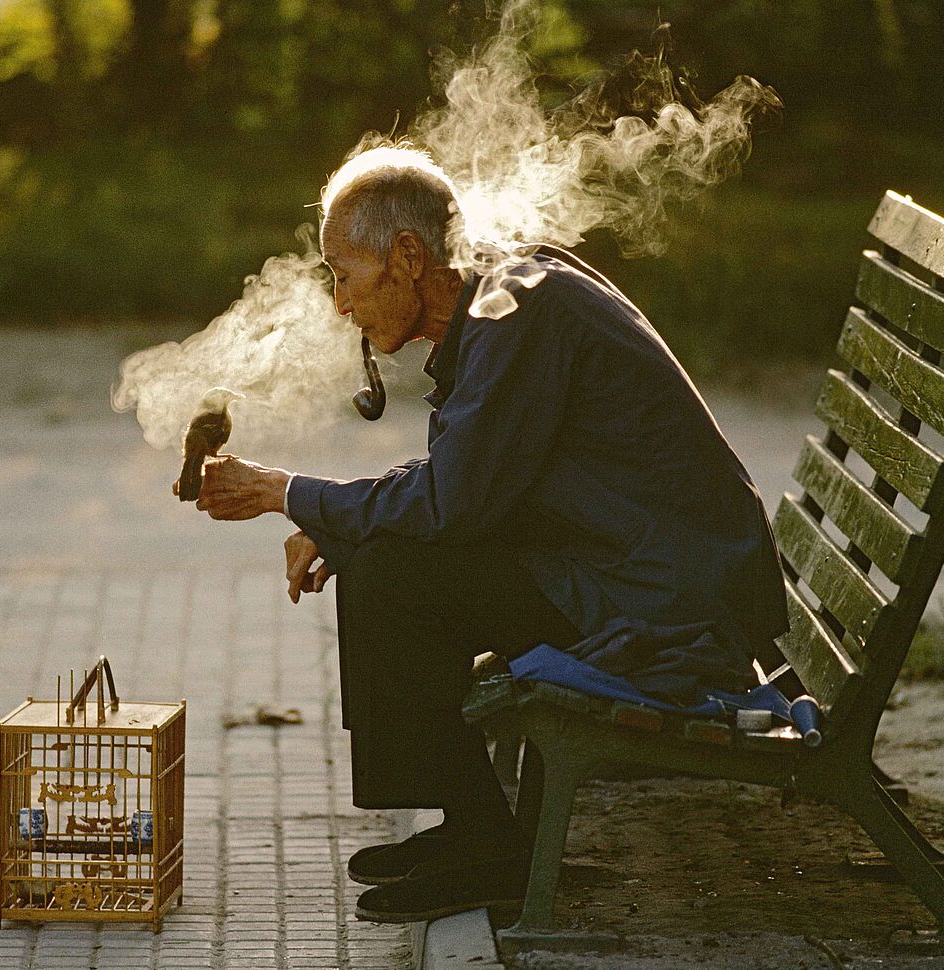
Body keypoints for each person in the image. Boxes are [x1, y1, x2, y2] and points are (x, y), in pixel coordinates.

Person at [194, 145, 788, 923]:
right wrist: (330, 521)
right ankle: (468, 826)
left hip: (667, 602)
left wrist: (290, 495)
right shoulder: (507, 297)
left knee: (391, 576)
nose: (341, 304)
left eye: (344, 273)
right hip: (647, 569)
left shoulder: (516, 316)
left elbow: (453, 503)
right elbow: (473, 479)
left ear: (407, 257)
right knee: (380, 554)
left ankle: (483, 840)